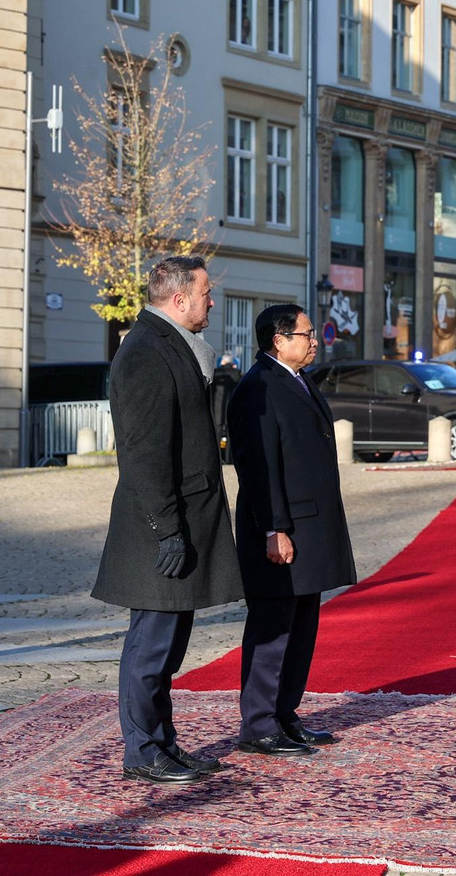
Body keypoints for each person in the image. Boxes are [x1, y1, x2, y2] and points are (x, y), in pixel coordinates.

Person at [92, 256, 244, 785]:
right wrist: (168, 529)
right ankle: (143, 750)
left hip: (181, 520)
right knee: (151, 644)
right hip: (159, 528)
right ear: (179, 299)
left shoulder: (170, 345)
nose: (211, 302)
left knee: (169, 645)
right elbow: (144, 453)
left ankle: (163, 743)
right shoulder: (145, 351)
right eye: (205, 293)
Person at [227, 304, 358, 756]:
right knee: (273, 628)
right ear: (279, 340)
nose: (314, 340)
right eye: (306, 334)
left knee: (301, 628)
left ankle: (284, 714)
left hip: (309, 526)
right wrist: (273, 529)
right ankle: (258, 724)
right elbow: (258, 466)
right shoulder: (257, 387)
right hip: (282, 530)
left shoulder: (296, 379)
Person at [211, 353, 242, 464]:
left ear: (223, 362)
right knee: (230, 435)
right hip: (231, 409)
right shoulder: (236, 374)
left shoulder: (216, 374)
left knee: (216, 434)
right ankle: (229, 458)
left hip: (217, 409)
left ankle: (218, 458)